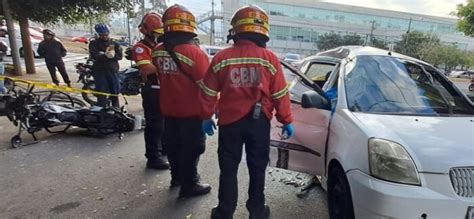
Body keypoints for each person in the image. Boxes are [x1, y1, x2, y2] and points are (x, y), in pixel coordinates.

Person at [198, 5, 294, 219]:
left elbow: (208, 91)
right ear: (263, 32)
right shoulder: (269, 59)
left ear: (236, 31)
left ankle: (224, 212)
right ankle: (257, 212)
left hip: (229, 123)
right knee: (257, 168)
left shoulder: (222, 58)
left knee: (228, 169)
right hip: (258, 123)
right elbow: (280, 93)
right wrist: (286, 119)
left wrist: (206, 116)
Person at [152, 4, 211, 198]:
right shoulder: (196, 54)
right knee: (193, 147)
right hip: (192, 113)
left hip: (168, 110)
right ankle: (190, 184)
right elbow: (207, 88)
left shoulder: (158, 50)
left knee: (173, 145)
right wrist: (208, 114)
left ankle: (176, 178)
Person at [131, 12, 169, 170]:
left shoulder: (160, 47)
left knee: (165, 123)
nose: (159, 37)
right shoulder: (141, 47)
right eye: (156, 33)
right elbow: (146, 68)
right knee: (155, 124)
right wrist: (164, 60)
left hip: (165, 89)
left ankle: (164, 150)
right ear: (147, 32)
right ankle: (153, 157)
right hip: (152, 90)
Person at [88, 23, 123, 108]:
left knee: (114, 92)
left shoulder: (114, 43)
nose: (104, 36)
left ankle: (116, 109)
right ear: (98, 34)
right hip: (100, 71)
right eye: (102, 35)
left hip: (112, 70)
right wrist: (104, 55)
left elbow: (120, 56)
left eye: (106, 34)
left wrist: (113, 56)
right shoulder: (94, 43)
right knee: (101, 92)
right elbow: (95, 55)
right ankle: (102, 110)